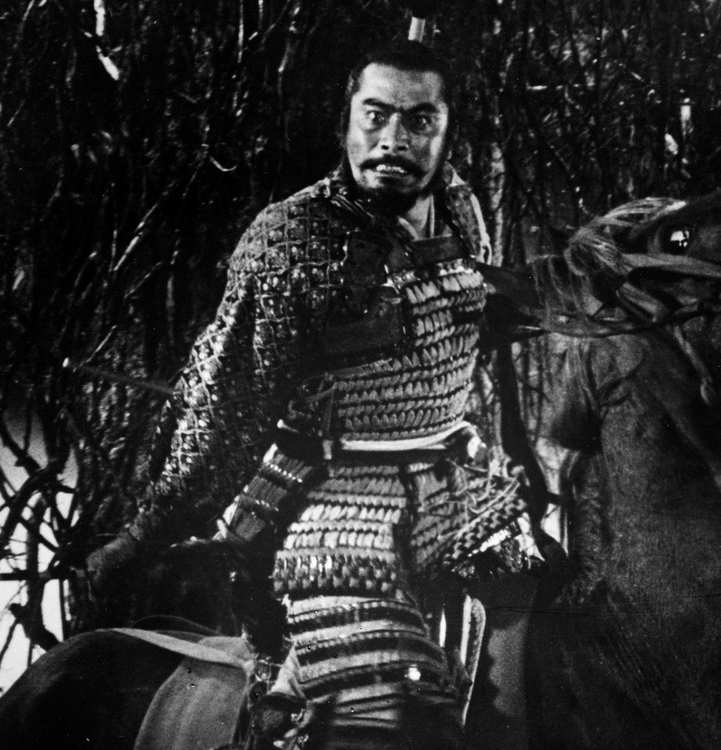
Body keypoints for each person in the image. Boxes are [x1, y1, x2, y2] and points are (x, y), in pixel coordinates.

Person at [91, 38, 533, 748]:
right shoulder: (290, 240)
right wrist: (141, 539)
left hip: (460, 493)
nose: (394, 140)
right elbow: (224, 416)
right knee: (392, 725)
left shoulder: (459, 207)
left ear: (448, 131)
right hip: (333, 512)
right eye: (376, 115)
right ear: (345, 122)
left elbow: (450, 316)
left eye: (420, 120)